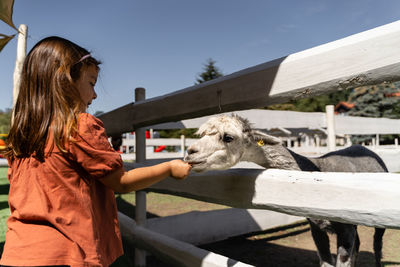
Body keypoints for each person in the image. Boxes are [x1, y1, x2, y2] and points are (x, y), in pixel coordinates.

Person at [0, 36, 192, 266]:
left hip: (18, 253)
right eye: (91, 83)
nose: (95, 94)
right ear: (65, 79)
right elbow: (122, 181)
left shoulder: (22, 138)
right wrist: (169, 168)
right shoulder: (79, 127)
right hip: (67, 253)